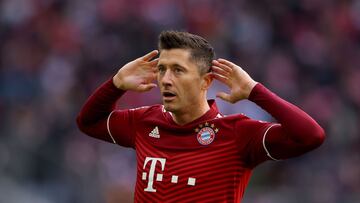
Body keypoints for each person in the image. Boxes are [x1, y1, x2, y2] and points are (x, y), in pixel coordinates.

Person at [77, 31, 325, 202]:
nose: (165, 79)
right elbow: (88, 122)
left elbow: (310, 136)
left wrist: (255, 91)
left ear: (206, 81)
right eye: (162, 69)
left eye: (178, 70)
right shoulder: (144, 122)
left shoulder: (237, 133)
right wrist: (116, 84)